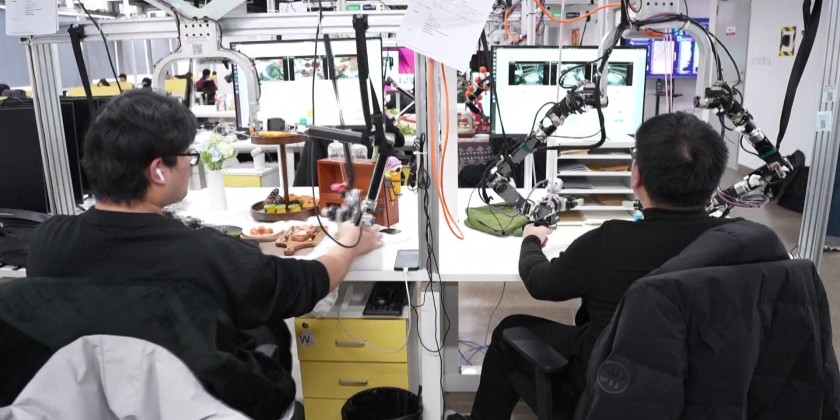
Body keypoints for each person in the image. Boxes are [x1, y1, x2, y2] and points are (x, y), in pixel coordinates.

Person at [26, 90, 382, 419]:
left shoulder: (47, 243)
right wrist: (347, 242)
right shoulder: (207, 256)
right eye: (187, 155)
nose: (189, 164)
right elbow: (306, 282)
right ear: (158, 170)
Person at [446, 112, 736, 420]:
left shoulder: (611, 242)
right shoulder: (735, 243)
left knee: (510, 330)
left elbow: (541, 283)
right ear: (714, 179)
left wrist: (530, 239)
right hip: (699, 391)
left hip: (610, 390)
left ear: (636, 176)